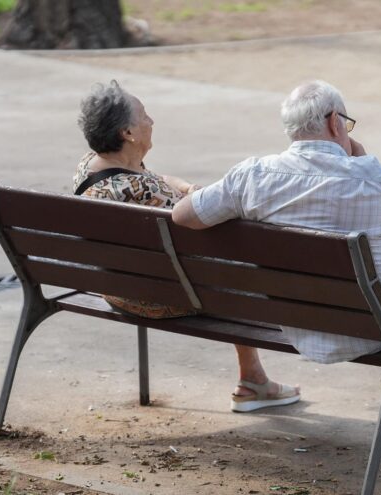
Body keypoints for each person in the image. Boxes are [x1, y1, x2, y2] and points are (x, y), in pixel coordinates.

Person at [171, 80, 381, 456]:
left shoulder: (252, 176)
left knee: (373, 294)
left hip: (313, 322)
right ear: (335, 122)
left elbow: (183, 216)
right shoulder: (367, 178)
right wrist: (370, 168)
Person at [73, 80, 299, 413]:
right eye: (144, 116)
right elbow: (200, 219)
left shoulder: (95, 167)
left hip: (117, 287)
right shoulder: (144, 191)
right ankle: (253, 381)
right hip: (163, 297)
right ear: (128, 134)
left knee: (222, 265)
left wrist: (188, 188)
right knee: (238, 265)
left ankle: (253, 376)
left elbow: (158, 180)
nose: (151, 121)